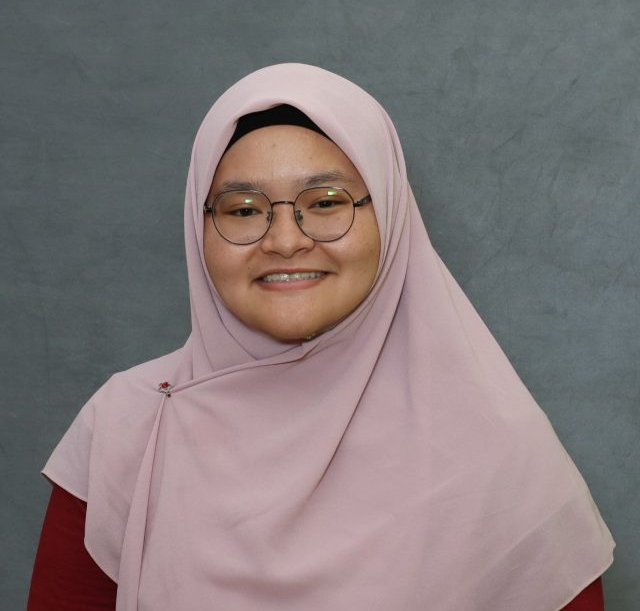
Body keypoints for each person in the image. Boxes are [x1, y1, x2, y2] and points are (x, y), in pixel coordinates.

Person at [28, 63, 614, 610]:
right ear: (198, 226)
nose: (284, 240)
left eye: (327, 202)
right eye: (242, 209)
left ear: (389, 216)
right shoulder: (129, 428)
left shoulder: (498, 453)